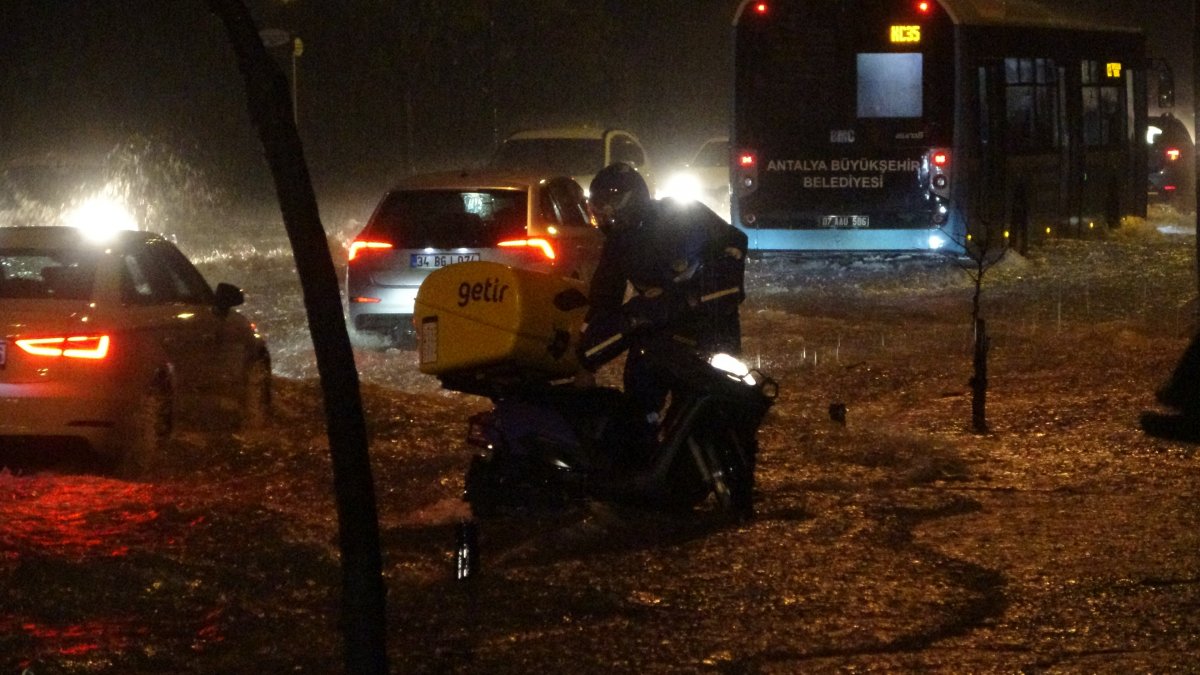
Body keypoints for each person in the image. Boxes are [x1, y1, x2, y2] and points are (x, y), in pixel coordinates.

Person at [578, 161, 748, 430]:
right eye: (599, 208)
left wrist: (689, 296)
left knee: (715, 411)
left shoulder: (681, 214)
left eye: (610, 205)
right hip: (657, 331)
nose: (605, 215)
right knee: (638, 405)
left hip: (708, 327)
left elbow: (734, 248)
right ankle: (643, 452)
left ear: (631, 200)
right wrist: (584, 353)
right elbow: (604, 298)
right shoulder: (618, 242)